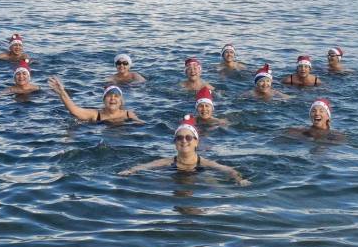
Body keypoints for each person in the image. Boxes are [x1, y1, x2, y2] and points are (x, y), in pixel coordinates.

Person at [119, 115, 250, 186]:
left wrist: (239, 179)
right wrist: (130, 171)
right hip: (174, 175)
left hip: (200, 175)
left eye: (188, 137)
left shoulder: (204, 163)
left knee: (218, 187)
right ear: (175, 143)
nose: (184, 140)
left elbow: (228, 170)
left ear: (196, 142)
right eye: (179, 137)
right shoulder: (167, 162)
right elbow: (145, 166)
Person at [48, 76, 142, 123]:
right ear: (104, 100)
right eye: (109, 96)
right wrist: (62, 92)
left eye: (116, 96)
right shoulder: (95, 114)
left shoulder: (128, 114)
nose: (113, 98)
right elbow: (74, 111)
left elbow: (140, 124)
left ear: (121, 101)